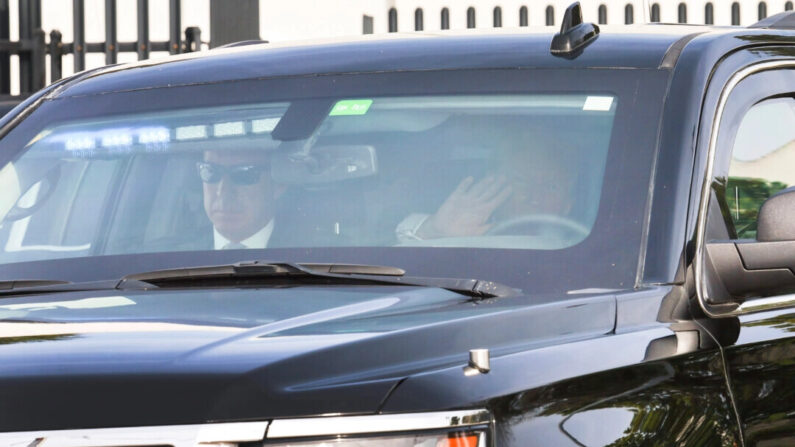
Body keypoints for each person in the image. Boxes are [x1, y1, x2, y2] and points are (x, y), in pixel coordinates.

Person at [397, 142, 578, 241]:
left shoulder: (585, 255)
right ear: (493, 185)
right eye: (522, 181)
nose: (534, 197)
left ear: (567, 205)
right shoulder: (462, 233)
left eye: (551, 186)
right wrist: (434, 231)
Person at [197, 148, 285, 249]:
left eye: (244, 174)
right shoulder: (178, 256)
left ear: (278, 184)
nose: (224, 191)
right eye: (211, 171)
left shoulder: (302, 251)